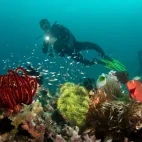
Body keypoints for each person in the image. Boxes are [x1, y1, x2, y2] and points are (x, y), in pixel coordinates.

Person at [38, 19, 126, 71]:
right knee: (85, 63)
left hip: (75, 45)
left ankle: (104, 56)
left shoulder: (57, 27)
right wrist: (47, 42)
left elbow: (67, 33)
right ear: (42, 28)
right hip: (69, 52)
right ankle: (97, 61)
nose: (45, 26)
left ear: (49, 23)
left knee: (93, 45)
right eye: (43, 26)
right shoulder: (47, 38)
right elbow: (44, 51)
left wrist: (58, 39)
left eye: (46, 23)